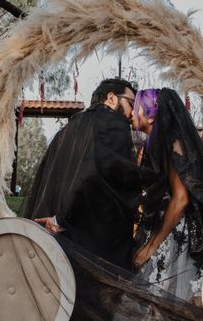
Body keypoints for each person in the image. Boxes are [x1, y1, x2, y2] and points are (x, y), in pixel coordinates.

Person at [25, 78, 143, 271]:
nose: (133, 113)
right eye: (131, 103)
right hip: (91, 242)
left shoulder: (70, 127)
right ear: (112, 98)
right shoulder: (113, 124)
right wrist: (60, 219)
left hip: (59, 238)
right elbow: (89, 175)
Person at [130, 88, 203, 302]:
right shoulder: (154, 145)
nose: (131, 113)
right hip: (164, 228)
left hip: (175, 234)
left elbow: (180, 199)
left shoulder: (174, 143)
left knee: (161, 300)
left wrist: (150, 248)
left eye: (136, 108)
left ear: (150, 115)